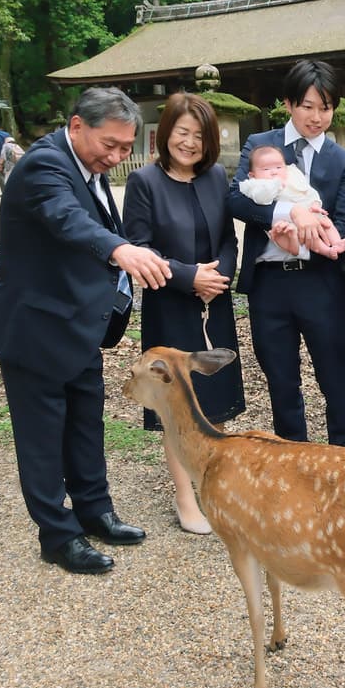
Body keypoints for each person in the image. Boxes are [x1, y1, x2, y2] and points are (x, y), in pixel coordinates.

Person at [0, 87, 172, 574]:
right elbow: (67, 220)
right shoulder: (43, 166)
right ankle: (58, 534)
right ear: (76, 127)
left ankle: (95, 511)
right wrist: (120, 250)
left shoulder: (89, 167)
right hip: (36, 327)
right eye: (108, 145)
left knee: (86, 426)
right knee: (43, 438)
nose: (115, 157)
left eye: (124, 147)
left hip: (80, 325)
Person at [123, 92, 245, 535]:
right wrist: (188, 276)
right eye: (181, 133)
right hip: (170, 303)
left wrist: (220, 276)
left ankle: (213, 486)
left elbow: (229, 238)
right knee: (177, 405)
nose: (189, 142)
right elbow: (139, 248)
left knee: (214, 400)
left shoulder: (215, 176)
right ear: (166, 134)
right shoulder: (144, 183)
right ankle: (184, 497)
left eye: (198, 135)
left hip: (215, 301)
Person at [228, 60, 345, 448]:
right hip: (269, 283)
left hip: (322, 281)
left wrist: (311, 236)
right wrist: (289, 212)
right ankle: (293, 461)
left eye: (326, 107)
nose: (316, 117)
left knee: (334, 376)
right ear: (288, 103)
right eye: (307, 106)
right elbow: (235, 199)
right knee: (281, 379)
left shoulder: (343, 162)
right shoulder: (259, 146)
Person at [238, 144, 345, 258]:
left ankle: (337, 243)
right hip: (286, 223)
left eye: (279, 167)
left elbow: (308, 191)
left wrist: (315, 204)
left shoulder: (292, 173)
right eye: (266, 169)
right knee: (309, 236)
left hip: (309, 209)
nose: (274, 172)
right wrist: (275, 185)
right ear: (252, 175)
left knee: (326, 223)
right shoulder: (256, 185)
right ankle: (326, 250)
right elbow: (261, 198)